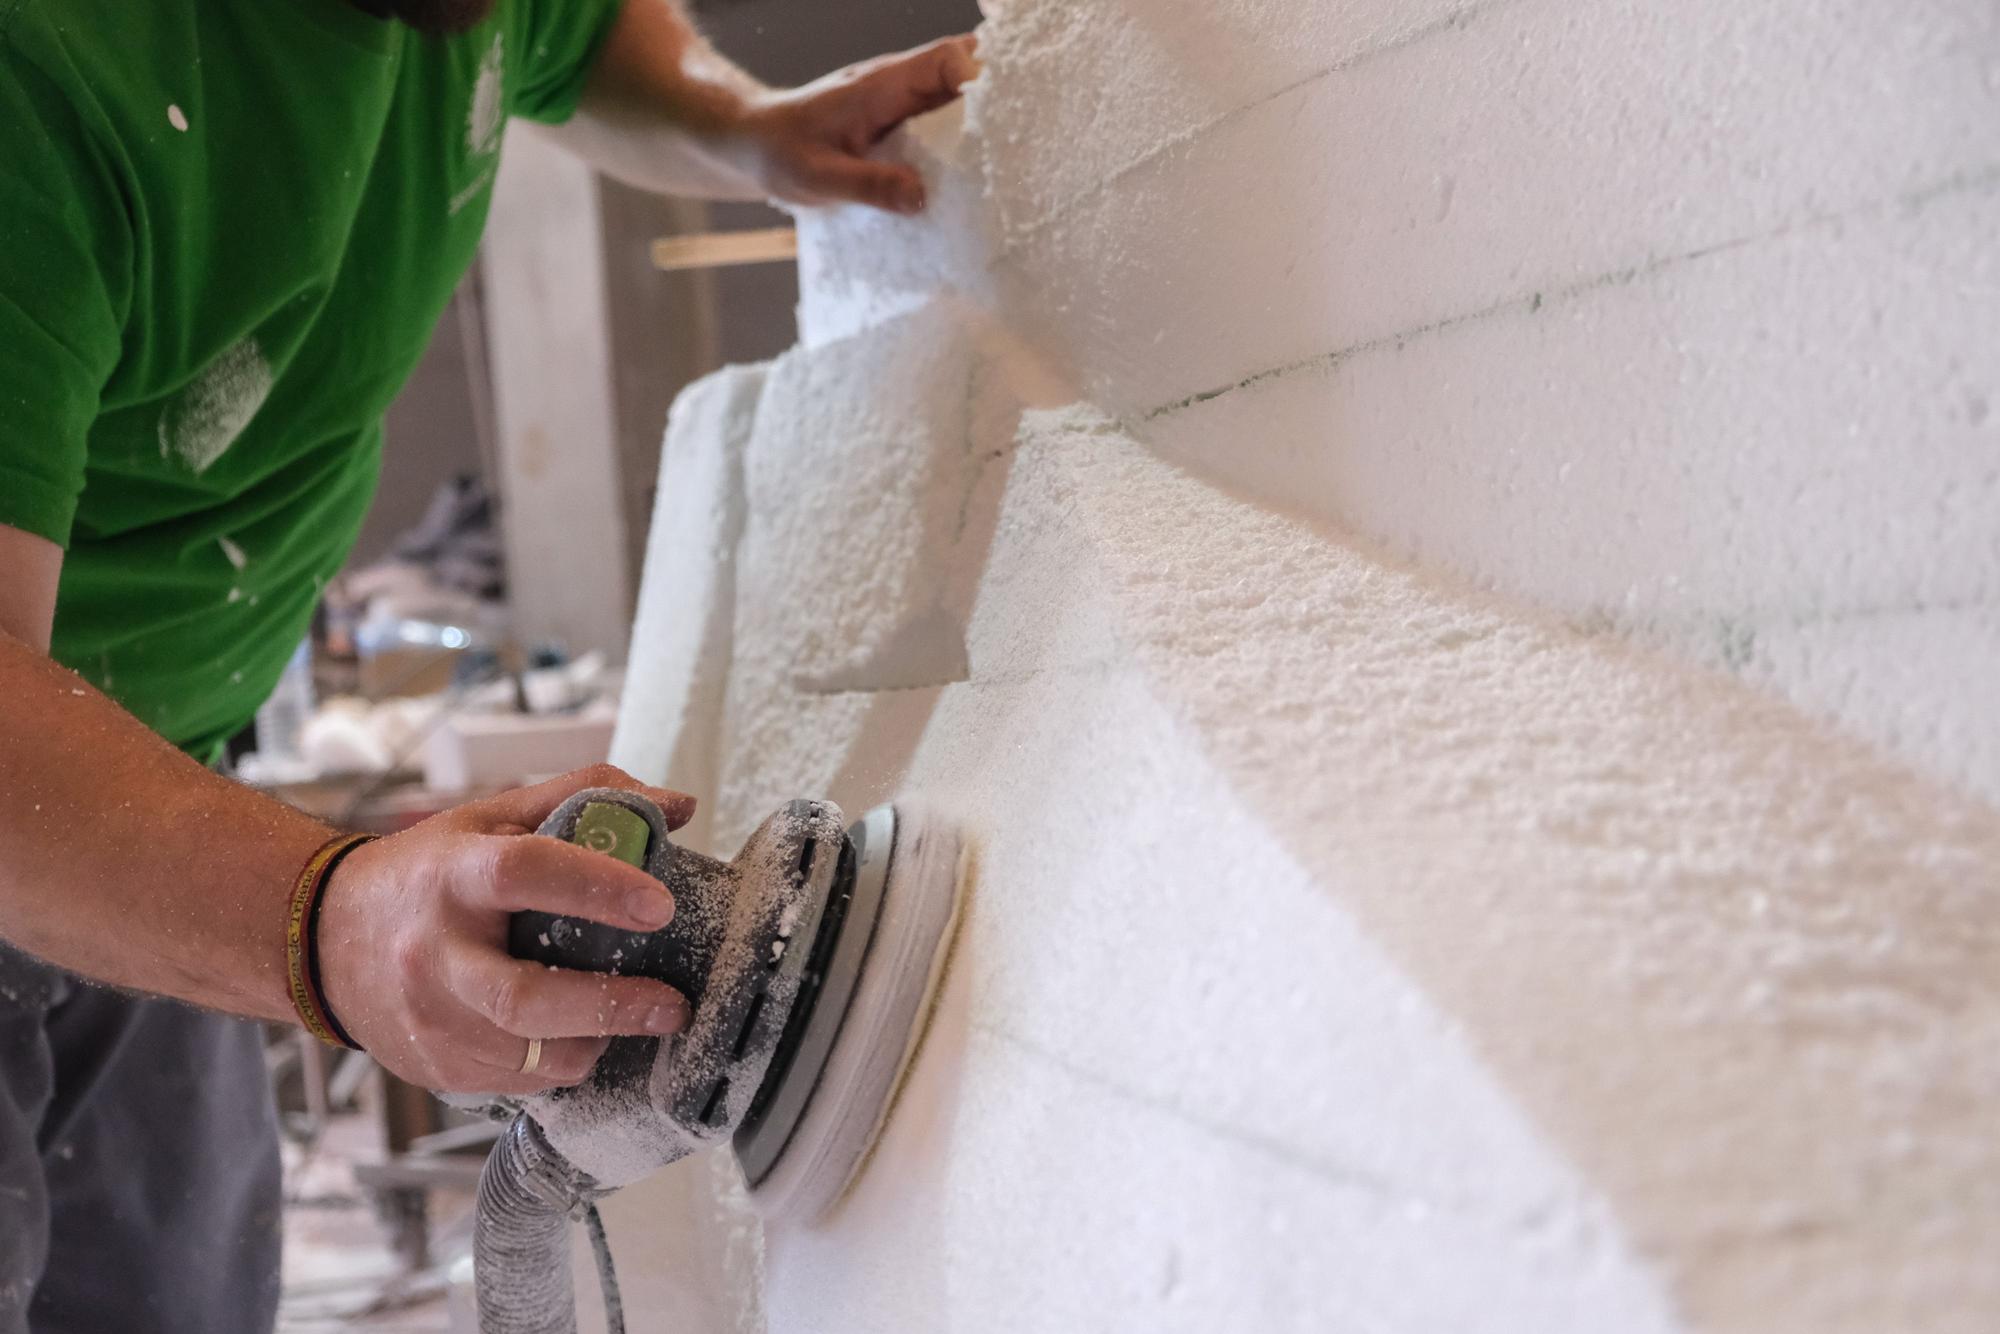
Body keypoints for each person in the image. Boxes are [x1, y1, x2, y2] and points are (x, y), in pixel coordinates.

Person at [0, 0, 977, 1328]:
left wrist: (745, 131)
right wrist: (333, 917)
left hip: (155, 788)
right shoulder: (46, 67)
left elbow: (587, 33)